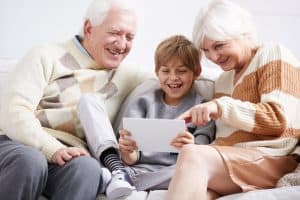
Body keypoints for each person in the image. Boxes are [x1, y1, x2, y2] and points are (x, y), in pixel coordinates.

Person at [0, 0, 151, 200]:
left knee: (88, 169)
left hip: (72, 156)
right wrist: (53, 149)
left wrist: (208, 104)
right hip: (18, 144)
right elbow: (13, 111)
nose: (122, 44)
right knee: (31, 160)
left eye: (129, 37)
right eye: (115, 33)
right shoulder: (46, 55)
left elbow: (176, 77)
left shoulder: (127, 74)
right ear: (89, 28)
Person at [166, 0, 300, 199]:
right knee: (198, 185)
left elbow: (276, 119)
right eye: (206, 50)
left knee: (194, 156)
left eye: (219, 46)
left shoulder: (271, 53)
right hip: (236, 162)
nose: (213, 56)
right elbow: (226, 141)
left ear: (242, 34)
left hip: (273, 158)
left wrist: (220, 106)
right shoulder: (223, 80)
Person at [77, 35, 215, 199]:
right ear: (157, 72)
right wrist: (128, 152)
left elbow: (203, 159)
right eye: (165, 71)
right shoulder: (144, 102)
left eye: (182, 71)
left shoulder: (203, 108)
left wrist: (191, 147)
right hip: (134, 168)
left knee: (192, 175)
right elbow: (131, 157)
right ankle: (117, 173)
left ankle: (114, 178)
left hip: (173, 173)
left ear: (196, 72)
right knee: (88, 101)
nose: (173, 78)